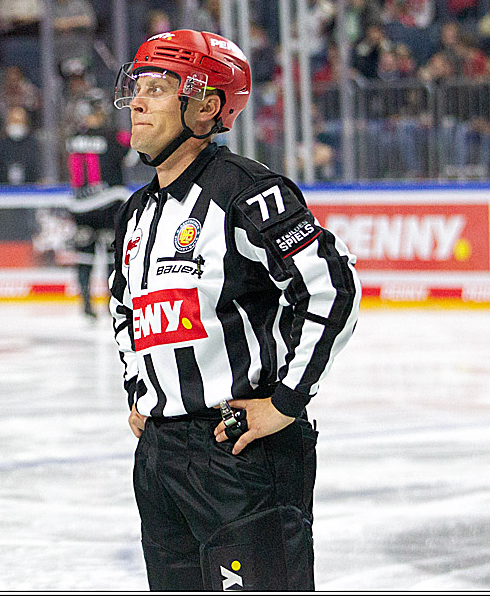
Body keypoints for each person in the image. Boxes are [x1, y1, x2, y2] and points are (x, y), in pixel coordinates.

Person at [109, 29, 360, 590]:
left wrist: (287, 401)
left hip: (240, 453)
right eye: (137, 86)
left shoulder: (248, 193)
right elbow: (124, 306)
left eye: (159, 87)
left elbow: (331, 288)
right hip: (161, 456)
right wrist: (141, 393)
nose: (139, 102)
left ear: (206, 106)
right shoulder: (136, 211)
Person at [61, 73, 130, 318]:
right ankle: (113, 302)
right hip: (108, 203)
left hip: (80, 205)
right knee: (110, 256)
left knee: (86, 256)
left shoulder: (73, 137)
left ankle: (87, 305)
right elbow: (130, 158)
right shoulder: (114, 136)